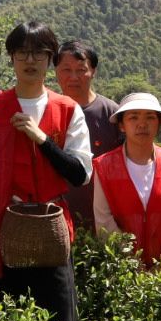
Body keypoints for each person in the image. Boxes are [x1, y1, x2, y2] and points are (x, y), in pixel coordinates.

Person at [0, 21, 92, 321]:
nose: (30, 60)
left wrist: (41, 138)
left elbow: (80, 174)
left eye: (39, 53)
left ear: (50, 59)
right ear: (11, 57)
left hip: (53, 233)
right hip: (4, 233)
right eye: (22, 53)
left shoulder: (67, 109)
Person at [92, 92, 161, 280]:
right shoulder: (104, 167)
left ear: (159, 124)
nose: (142, 124)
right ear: (122, 125)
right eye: (133, 117)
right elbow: (104, 222)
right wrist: (132, 266)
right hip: (125, 275)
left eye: (150, 117)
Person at [56, 39, 124, 229]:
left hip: (104, 222)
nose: (73, 77)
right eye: (66, 69)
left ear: (93, 71)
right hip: (56, 219)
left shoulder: (112, 114)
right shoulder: (48, 110)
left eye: (81, 70)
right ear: (56, 71)